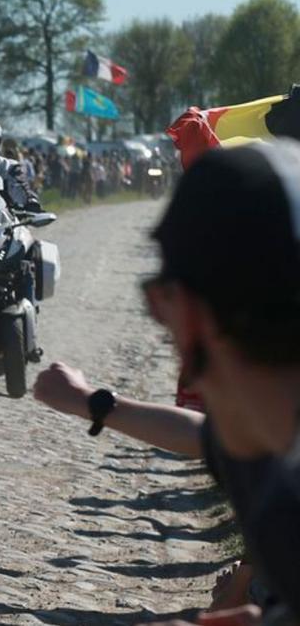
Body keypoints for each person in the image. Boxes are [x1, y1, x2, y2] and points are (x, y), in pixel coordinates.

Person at [33, 141, 300, 625]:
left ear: (191, 313)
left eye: (158, 298)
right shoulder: (267, 439)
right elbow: (203, 436)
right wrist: (89, 401)